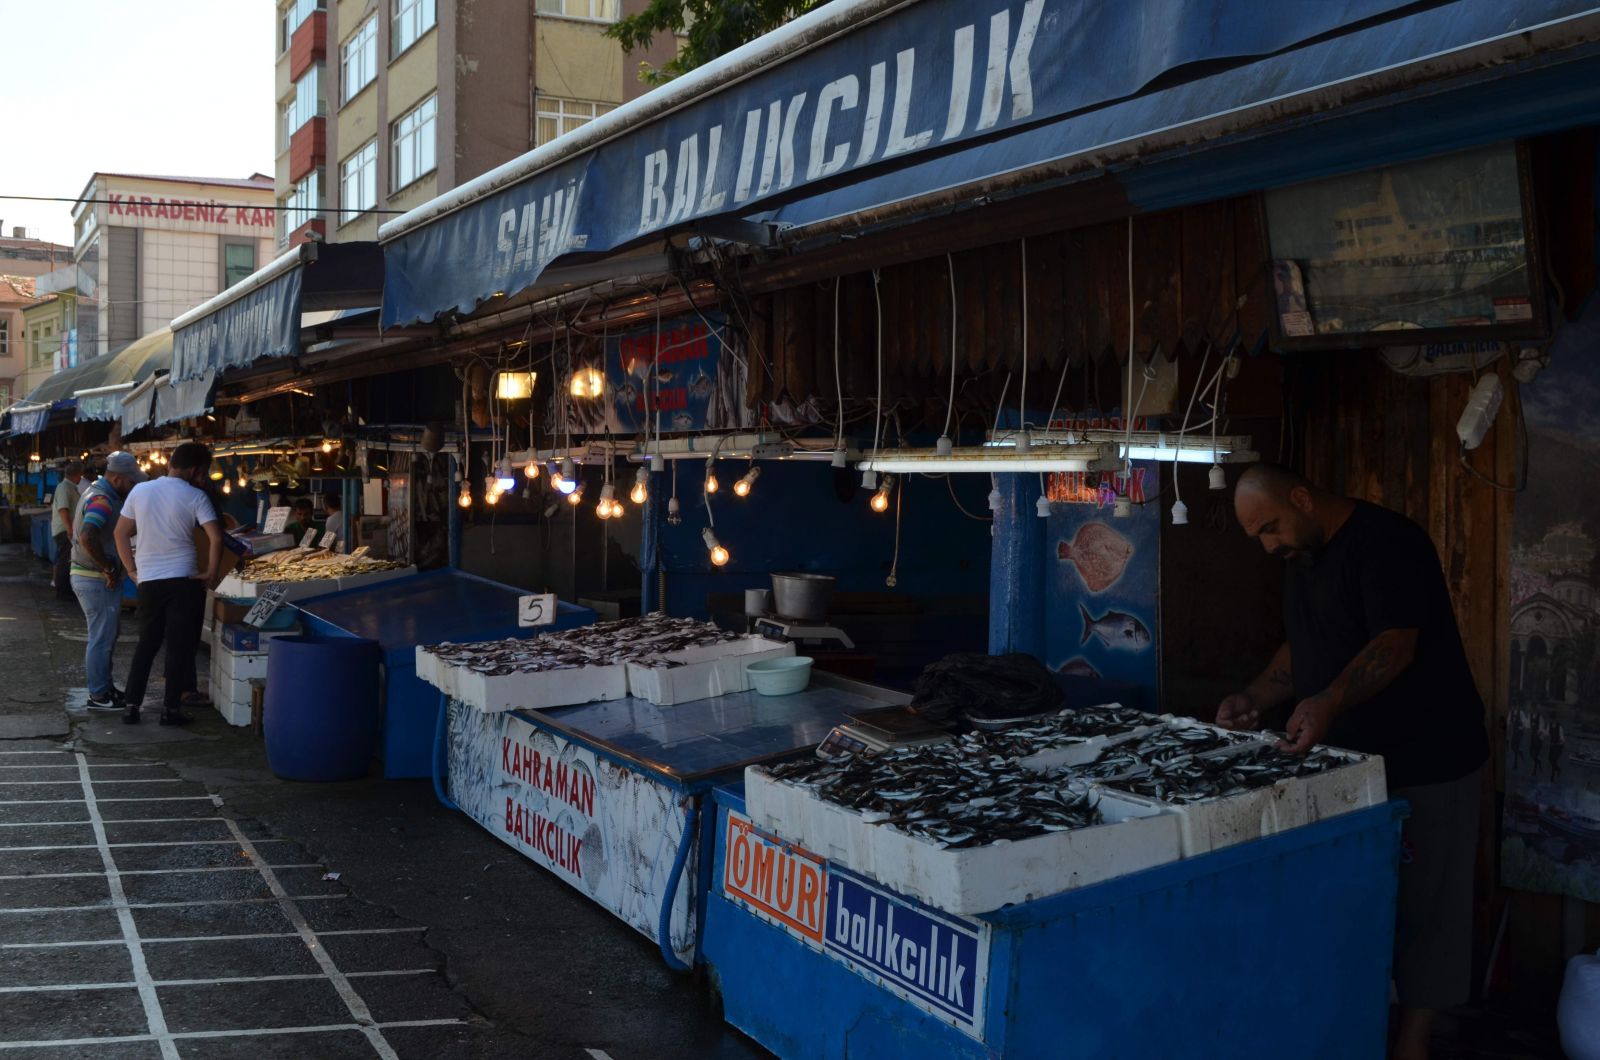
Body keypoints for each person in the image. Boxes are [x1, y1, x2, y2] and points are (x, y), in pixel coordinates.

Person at [1217, 464, 1489, 1060]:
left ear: (1302, 498)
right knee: (1366, 900)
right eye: (1257, 536)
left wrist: (1328, 701)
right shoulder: (1303, 556)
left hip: (1430, 756)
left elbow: (1395, 644)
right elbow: (1303, 644)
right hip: (1354, 763)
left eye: (1270, 527)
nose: (1268, 546)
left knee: (1428, 906)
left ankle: (1413, 1044)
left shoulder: (1389, 543)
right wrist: (1256, 696)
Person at [113, 442, 223, 726]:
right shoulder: (196, 496)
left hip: (149, 581)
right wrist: (211, 572)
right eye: (203, 472)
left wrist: (132, 570)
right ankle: (170, 710)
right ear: (195, 470)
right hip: (184, 580)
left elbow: (120, 533)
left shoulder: (140, 490)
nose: (202, 478)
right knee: (178, 646)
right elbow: (216, 538)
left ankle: (131, 707)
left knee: (146, 644)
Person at [68, 452, 143, 711]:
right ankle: (99, 695)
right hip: (94, 580)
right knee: (101, 638)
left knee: (106, 636)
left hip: (90, 577)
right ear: (118, 478)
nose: (132, 487)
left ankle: (105, 688)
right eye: (131, 482)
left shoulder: (98, 492)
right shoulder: (102, 499)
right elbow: (87, 535)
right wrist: (108, 567)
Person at [51, 459, 85, 598]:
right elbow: (63, 509)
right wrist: (70, 530)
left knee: (67, 560)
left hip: (68, 529)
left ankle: (66, 590)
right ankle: (63, 592)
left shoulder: (70, 487)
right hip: (64, 530)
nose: (81, 478)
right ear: (76, 475)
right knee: (65, 561)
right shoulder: (64, 487)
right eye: (80, 475)